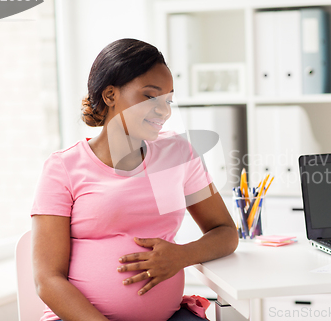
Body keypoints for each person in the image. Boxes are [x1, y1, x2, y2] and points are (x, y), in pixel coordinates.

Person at [31, 39, 239, 321]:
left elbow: (225, 232)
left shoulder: (178, 154)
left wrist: (182, 255)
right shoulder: (63, 168)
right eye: (150, 97)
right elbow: (48, 280)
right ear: (109, 95)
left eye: (168, 100)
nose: (164, 111)